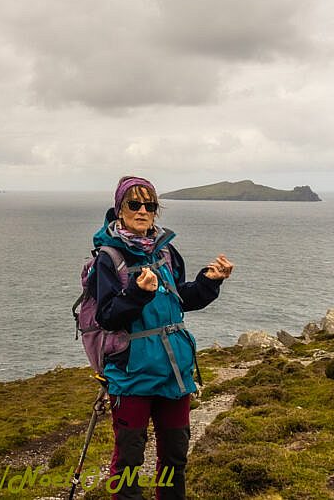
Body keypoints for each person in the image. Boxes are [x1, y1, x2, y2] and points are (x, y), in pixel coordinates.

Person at [92, 176, 233, 500]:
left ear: (156, 211)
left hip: (173, 372)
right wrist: (137, 293)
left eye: (150, 205)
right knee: (128, 461)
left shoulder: (167, 251)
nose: (143, 210)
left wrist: (208, 282)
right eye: (134, 204)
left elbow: (180, 300)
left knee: (174, 457)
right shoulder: (109, 258)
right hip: (133, 374)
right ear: (120, 209)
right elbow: (107, 316)